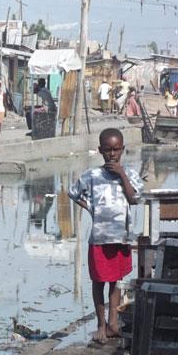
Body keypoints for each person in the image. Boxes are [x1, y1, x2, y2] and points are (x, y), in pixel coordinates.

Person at [68, 128, 143, 343]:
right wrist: (91, 208)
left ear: (122, 150)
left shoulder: (129, 173)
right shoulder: (92, 175)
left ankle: (113, 323)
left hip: (121, 237)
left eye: (116, 150)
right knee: (99, 281)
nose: (112, 154)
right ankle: (101, 325)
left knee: (117, 281)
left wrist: (121, 174)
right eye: (108, 150)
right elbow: (73, 193)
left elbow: (134, 199)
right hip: (100, 238)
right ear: (100, 150)